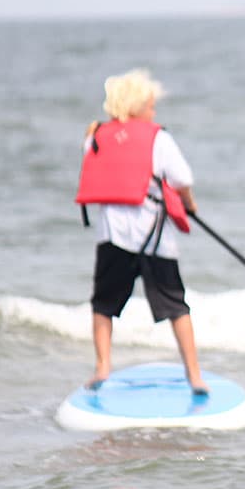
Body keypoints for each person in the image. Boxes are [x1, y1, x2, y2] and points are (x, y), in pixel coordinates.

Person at [75, 68, 208, 394]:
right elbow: (181, 179)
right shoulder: (158, 138)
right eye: (150, 104)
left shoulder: (96, 136)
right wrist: (189, 204)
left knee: (103, 305)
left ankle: (103, 367)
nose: (153, 110)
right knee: (177, 306)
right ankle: (194, 374)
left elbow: (92, 158)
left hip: (113, 238)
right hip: (155, 239)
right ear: (134, 105)